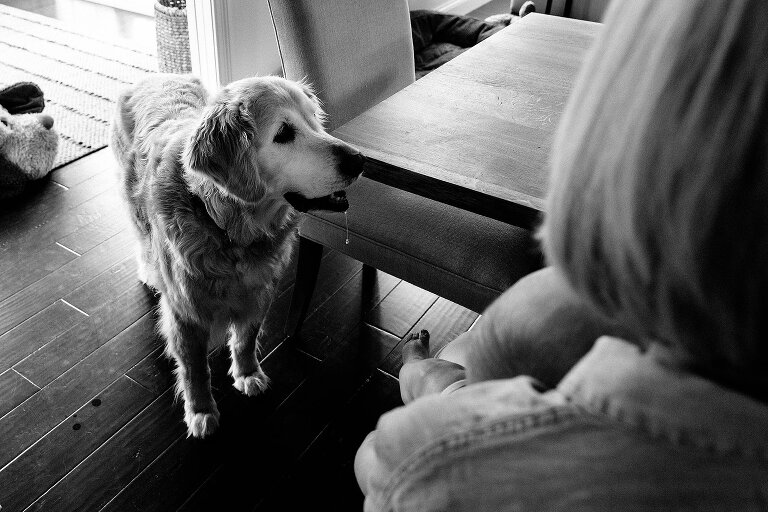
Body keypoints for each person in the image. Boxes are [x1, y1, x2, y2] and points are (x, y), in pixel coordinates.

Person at [354, 0, 768, 510]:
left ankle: (425, 377)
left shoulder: (438, 467)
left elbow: (378, 461)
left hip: (452, 435)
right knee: (503, 336)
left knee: (476, 351)